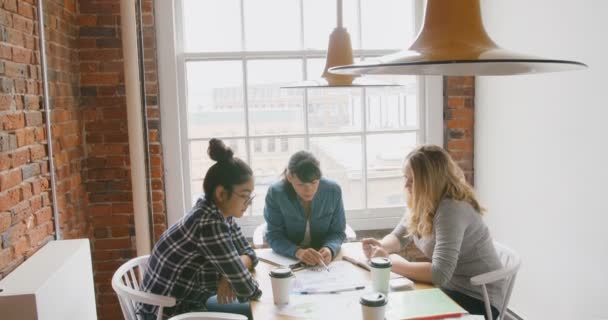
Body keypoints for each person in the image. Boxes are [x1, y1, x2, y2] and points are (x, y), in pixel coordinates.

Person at [362, 145, 503, 320]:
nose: (406, 185)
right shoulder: (423, 201)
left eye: (412, 180)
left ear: (430, 181)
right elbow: (399, 237)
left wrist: (389, 262)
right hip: (449, 289)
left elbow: (439, 274)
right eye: (405, 178)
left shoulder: (451, 209)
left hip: (478, 298)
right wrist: (380, 246)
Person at [138, 139, 261, 319]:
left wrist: (230, 273)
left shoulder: (218, 213)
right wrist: (234, 271)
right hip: (168, 313)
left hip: (188, 305)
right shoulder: (208, 224)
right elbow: (249, 290)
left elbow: (250, 253)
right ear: (221, 193)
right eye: (244, 196)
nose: (248, 204)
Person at [264, 151, 346, 266]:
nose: (309, 190)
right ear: (289, 177)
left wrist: (330, 248)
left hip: (322, 262)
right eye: (301, 184)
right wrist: (298, 252)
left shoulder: (333, 191)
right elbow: (274, 236)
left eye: (314, 183)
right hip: (290, 259)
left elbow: (338, 232)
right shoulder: (276, 193)